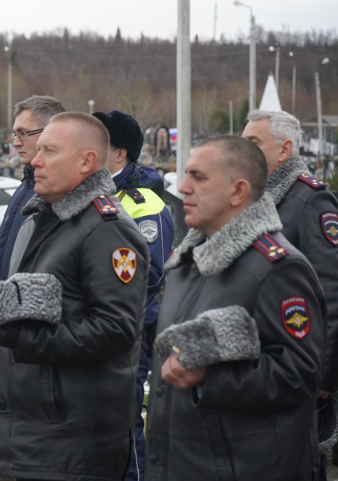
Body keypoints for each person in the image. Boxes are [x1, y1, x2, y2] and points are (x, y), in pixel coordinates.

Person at [0, 112, 149, 480]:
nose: (35, 160)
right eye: (37, 150)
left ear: (87, 161)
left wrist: (24, 339)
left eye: (49, 151)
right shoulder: (49, 221)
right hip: (31, 435)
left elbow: (115, 330)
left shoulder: (108, 230)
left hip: (69, 445)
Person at [146, 136, 324, 480]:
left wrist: (210, 379)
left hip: (240, 467)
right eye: (185, 175)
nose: (183, 187)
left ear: (238, 192)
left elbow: (300, 375)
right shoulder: (187, 262)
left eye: (198, 177)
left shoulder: (278, 266)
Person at [242, 109, 338, 479]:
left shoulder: (311, 201)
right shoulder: (257, 198)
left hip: (299, 372)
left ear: (284, 150)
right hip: (262, 371)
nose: (244, 149)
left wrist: (323, 381)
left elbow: (330, 295)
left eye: (254, 143)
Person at [94, 109, 174, 481]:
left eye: (99, 142)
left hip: (131, 327)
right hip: (97, 327)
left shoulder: (144, 202)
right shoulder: (96, 193)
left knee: (124, 420)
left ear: (120, 153)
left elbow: (150, 273)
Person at [0, 95, 65, 410]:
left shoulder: (54, 192)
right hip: (7, 333)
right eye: (14, 134)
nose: (15, 142)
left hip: (29, 344)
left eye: (22, 133)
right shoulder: (26, 187)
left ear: (51, 132)